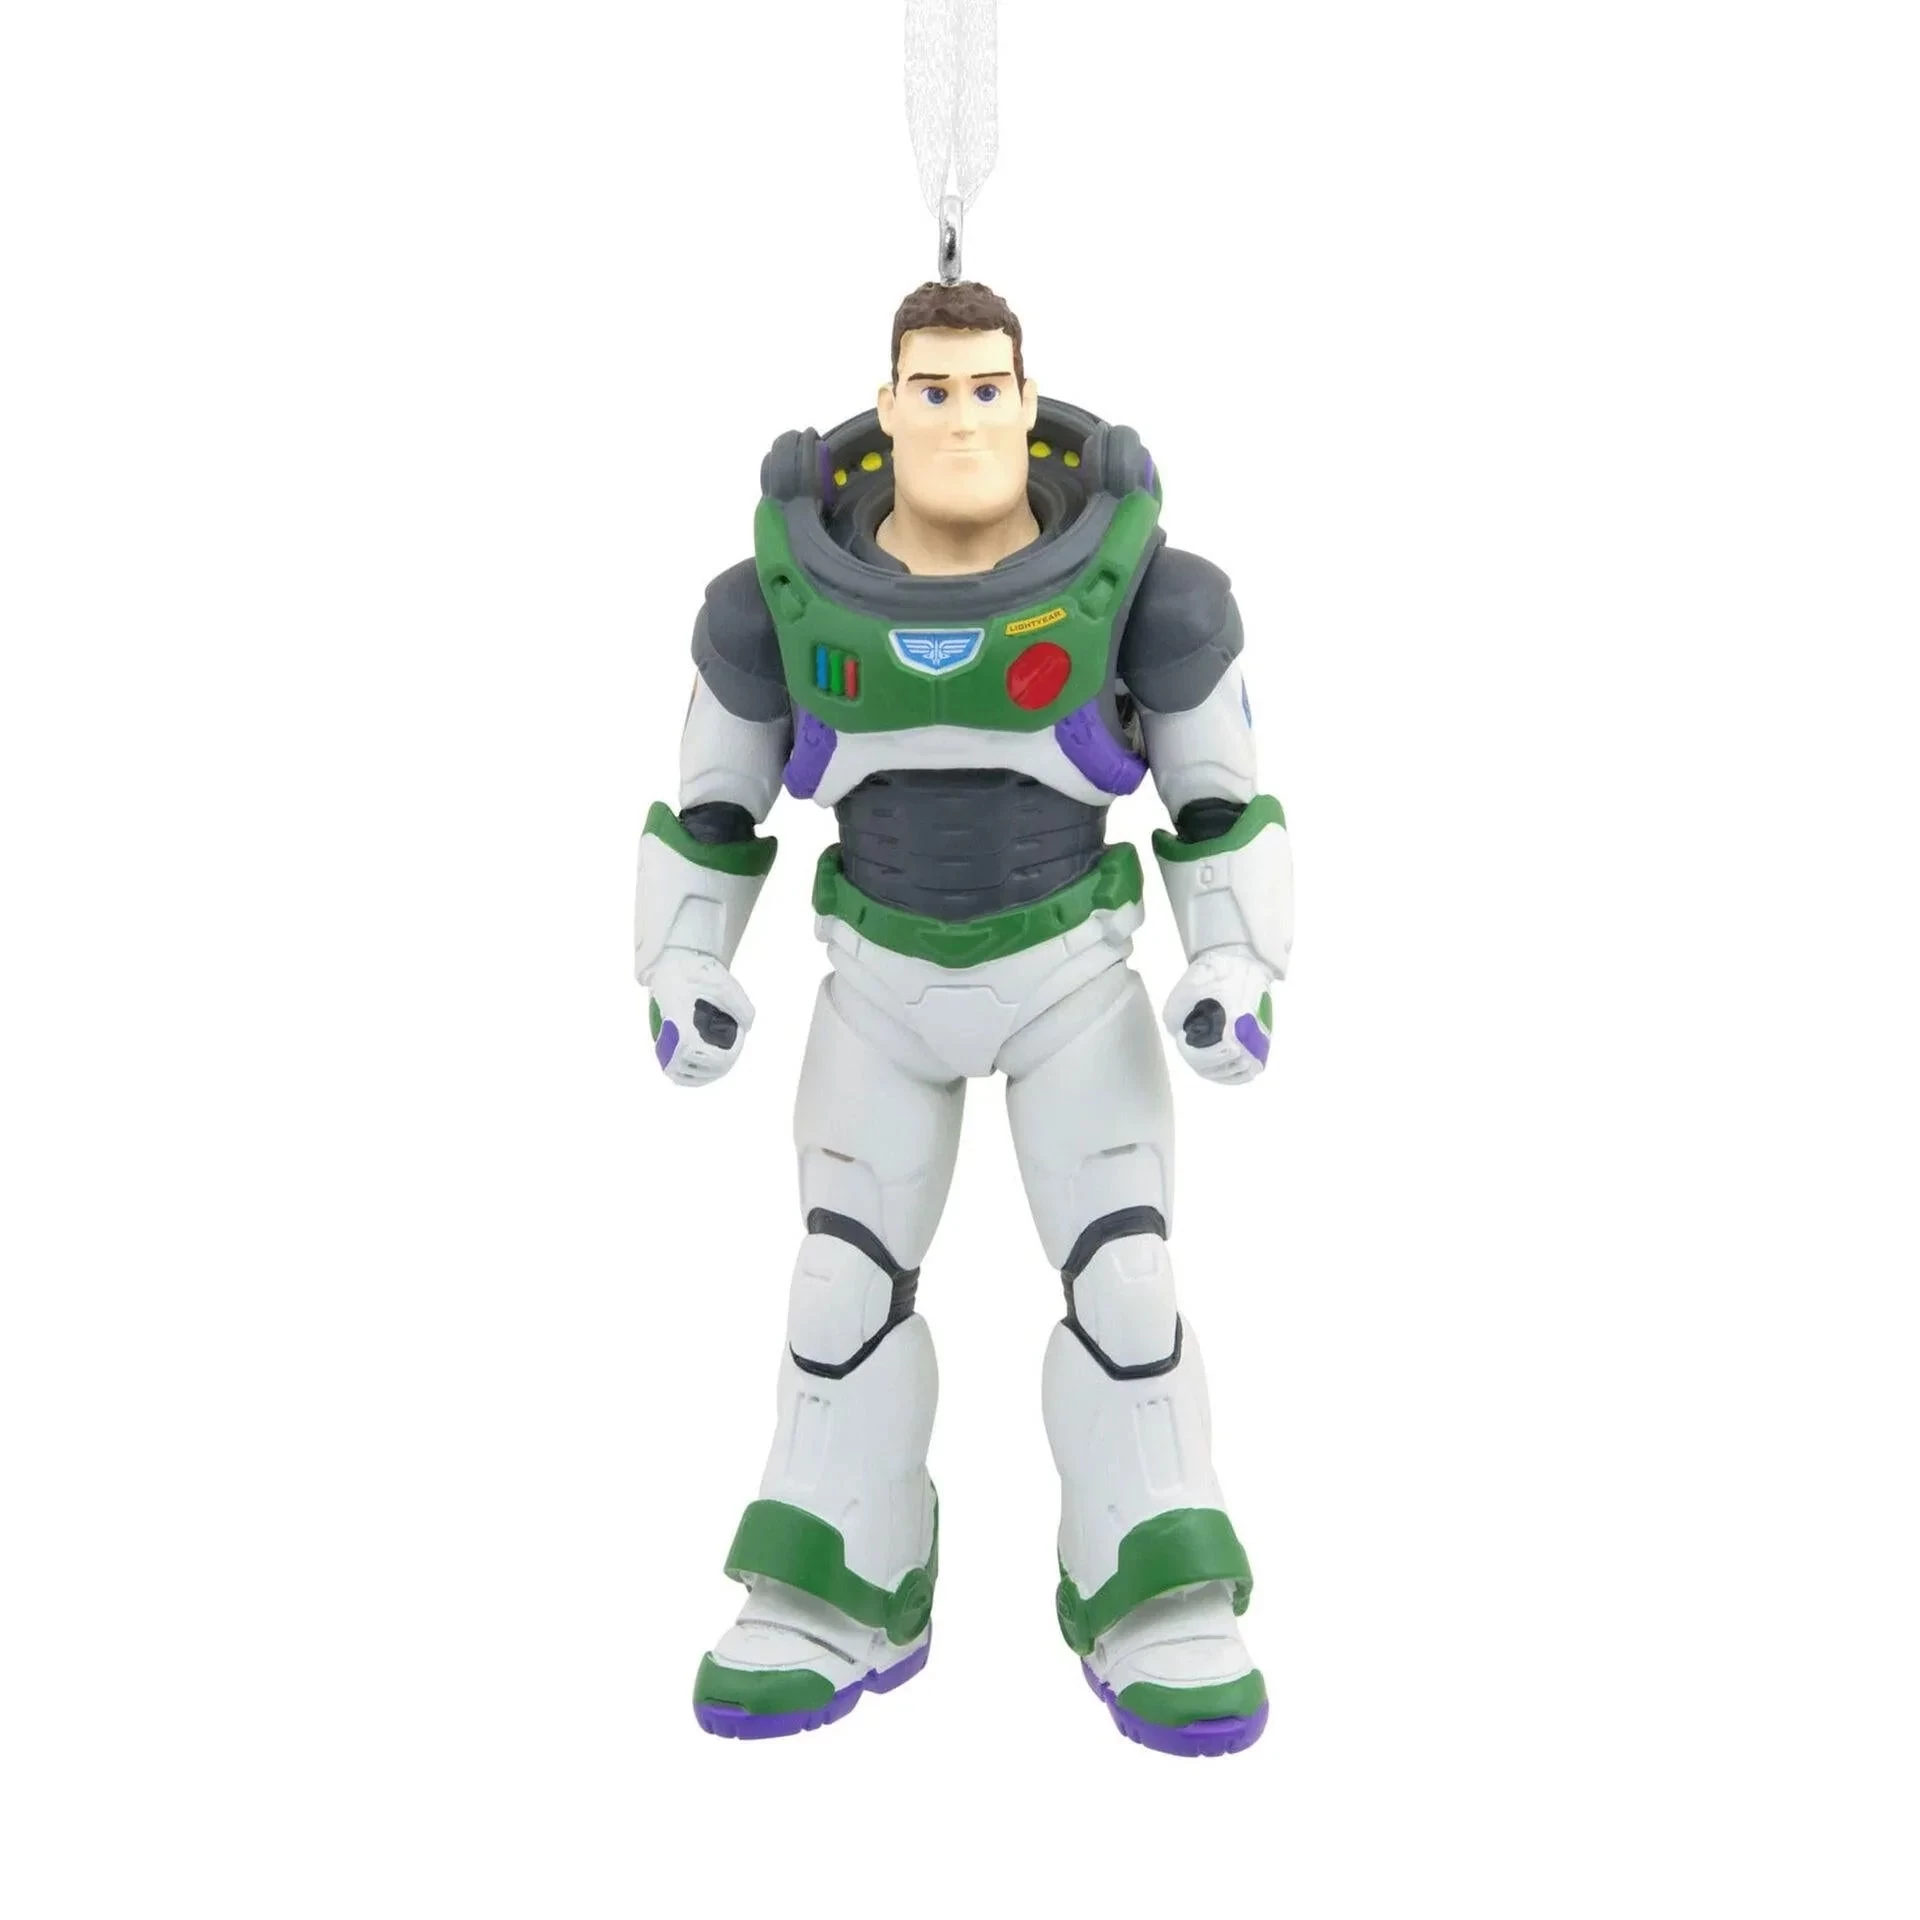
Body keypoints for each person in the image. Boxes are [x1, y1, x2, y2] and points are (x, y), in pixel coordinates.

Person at [635, 280, 1294, 1755]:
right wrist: (684, 963)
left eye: (987, 387)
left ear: (1026, 394)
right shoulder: (773, 598)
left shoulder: (1149, 589)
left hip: (1073, 981)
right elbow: (713, 803)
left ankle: (1148, 1580)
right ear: (886, 407)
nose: (960, 416)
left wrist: (1235, 962)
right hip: (876, 989)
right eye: (930, 390)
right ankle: (842, 1575)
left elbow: (1222, 798)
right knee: (838, 1286)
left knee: (1126, 1280)